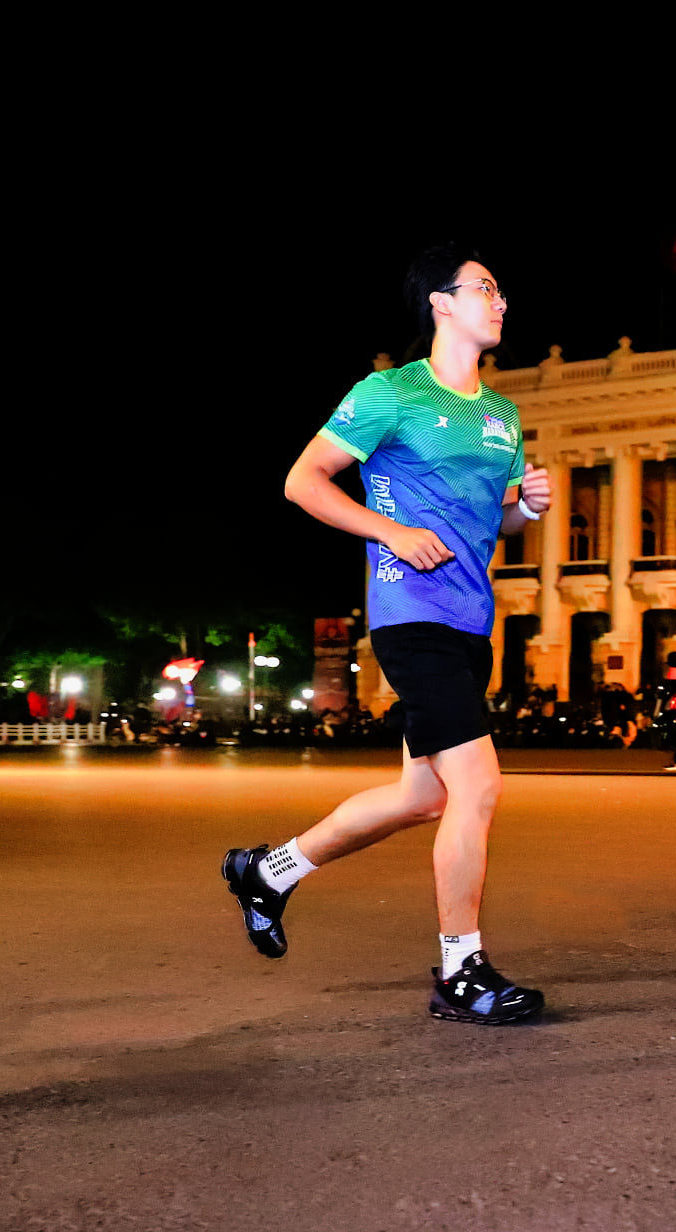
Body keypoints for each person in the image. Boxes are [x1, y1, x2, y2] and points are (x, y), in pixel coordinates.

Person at [223, 243, 552, 1026]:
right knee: (478, 787)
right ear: (441, 304)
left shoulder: (503, 413)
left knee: (418, 796)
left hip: (472, 620)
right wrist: (389, 532)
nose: (500, 301)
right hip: (412, 615)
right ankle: (460, 972)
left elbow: (489, 524)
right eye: (484, 288)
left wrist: (526, 509)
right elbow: (302, 482)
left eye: (500, 290)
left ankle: (268, 871)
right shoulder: (389, 394)